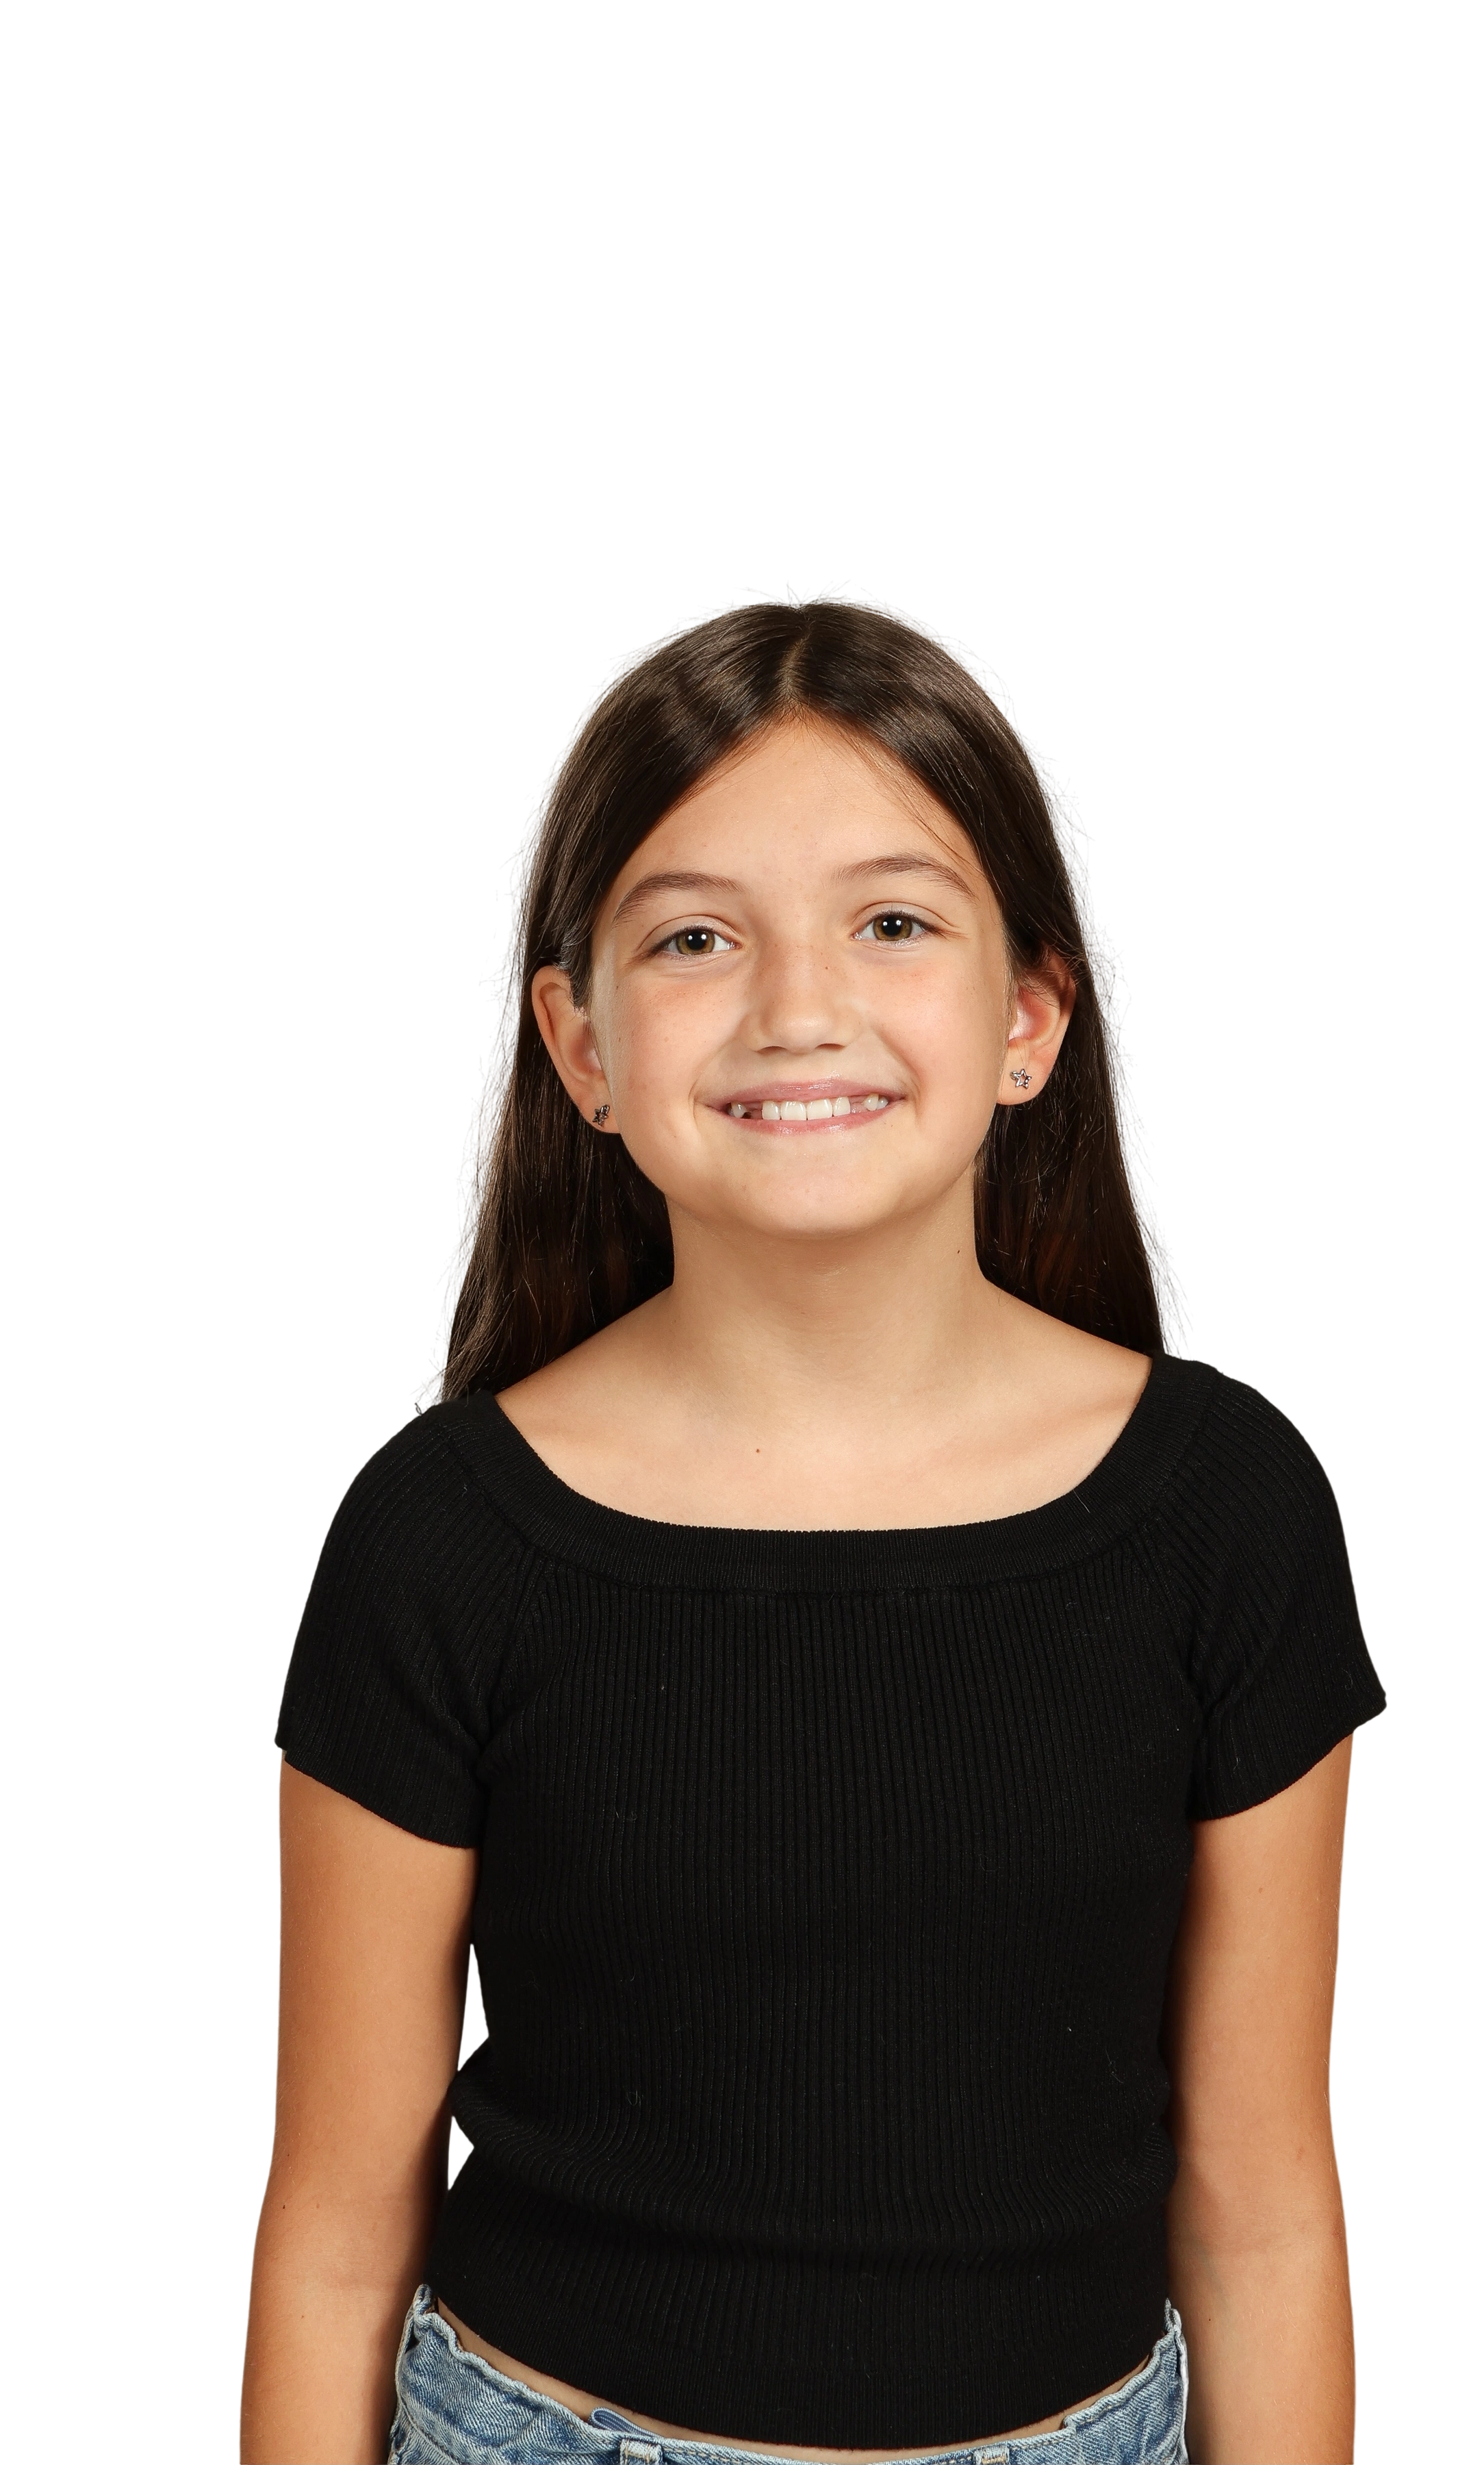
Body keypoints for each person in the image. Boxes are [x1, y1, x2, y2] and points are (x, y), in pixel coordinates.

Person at [240, 581, 1390, 2465]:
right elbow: (334, 2222)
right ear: (581, 1044)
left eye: (892, 922)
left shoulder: (1224, 1509)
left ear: (1030, 1017)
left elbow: (1262, 2206)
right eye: (696, 937)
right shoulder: (439, 1540)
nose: (799, 1010)